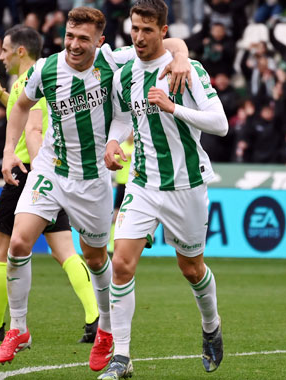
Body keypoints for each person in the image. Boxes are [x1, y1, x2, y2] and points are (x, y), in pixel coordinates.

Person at [0, 7, 192, 369]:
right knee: (19, 241)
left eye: (83, 38)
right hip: (51, 169)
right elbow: (21, 105)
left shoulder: (112, 61)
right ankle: (18, 329)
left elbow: (170, 42)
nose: (74, 44)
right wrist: (9, 151)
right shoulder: (47, 69)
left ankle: (105, 329)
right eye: (69, 36)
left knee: (97, 258)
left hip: (93, 180)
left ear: (99, 41)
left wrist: (181, 57)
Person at [101, 0, 226, 377]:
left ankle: (211, 326)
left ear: (163, 32)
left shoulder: (185, 70)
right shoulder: (124, 68)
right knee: (121, 262)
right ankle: (121, 357)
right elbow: (124, 115)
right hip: (142, 182)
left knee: (191, 267)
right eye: (134, 28)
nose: (139, 37)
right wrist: (113, 142)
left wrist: (173, 108)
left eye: (147, 30)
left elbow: (219, 123)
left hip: (186, 184)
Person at [0, 25, 100, 346]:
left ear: (21, 51)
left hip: (27, 173)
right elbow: (27, 113)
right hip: (53, 174)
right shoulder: (49, 75)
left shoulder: (32, 79)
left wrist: (34, 172)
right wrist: (0, 95)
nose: (1, 56)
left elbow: (31, 128)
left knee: (1, 248)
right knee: (64, 250)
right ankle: (94, 317)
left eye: (5, 50)